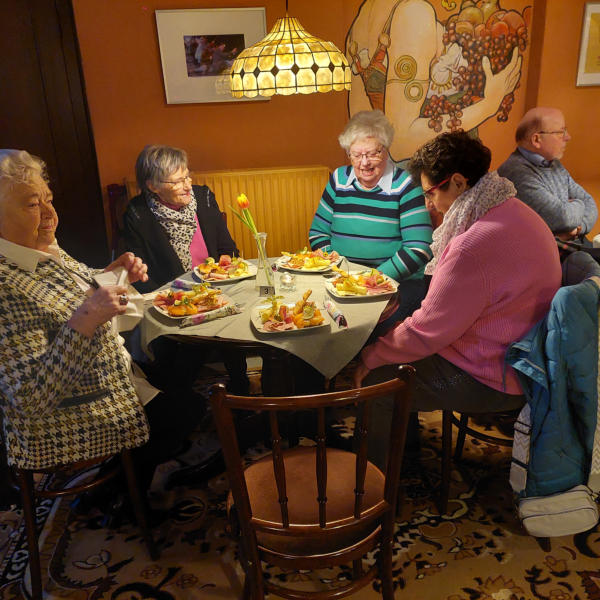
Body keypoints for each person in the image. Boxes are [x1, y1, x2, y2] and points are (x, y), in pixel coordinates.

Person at [0, 149, 202, 517]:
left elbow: (76, 294)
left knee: (181, 372)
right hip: (68, 411)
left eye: (49, 199)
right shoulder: (5, 285)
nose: (49, 214)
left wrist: (114, 274)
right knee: (184, 410)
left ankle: (118, 482)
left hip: (108, 373)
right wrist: (86, 318)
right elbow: (31, 399)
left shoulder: (42, 250)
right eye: (32, 204)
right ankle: (122, 496)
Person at [351, 132, 562, 465]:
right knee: (398, 340)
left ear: (459, 182)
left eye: (431, 193)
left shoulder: (472, 245)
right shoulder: (516, 210)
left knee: (379, 383)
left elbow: (429, 330)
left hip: (495, 375)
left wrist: (371, 356)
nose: (429, 204)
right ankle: (403, 454)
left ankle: (371, 480)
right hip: (529, 360)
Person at [346, 0, 524, 162]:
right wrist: (488, 106)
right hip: (430, 178)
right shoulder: (415, 13)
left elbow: (361, 132)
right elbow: (401, 144)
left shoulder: (362, 20)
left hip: (390, 178)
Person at [309, 109, 433, 323]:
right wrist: (338, 270)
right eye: (356, 155)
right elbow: (318, 233)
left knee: (362, 323)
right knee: (314, 316)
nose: (364, 162)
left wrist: (372, 278)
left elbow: (419, 248)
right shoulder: (339, 180)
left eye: (373, 153)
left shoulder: (405, 185)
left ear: (386, 150)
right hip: (342, 281)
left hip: (395, 283)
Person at [123, 144, 238, 294]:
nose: (188, 186)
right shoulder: (138, 214)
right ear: (153, 186)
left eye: (187, 177)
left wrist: (222, 274)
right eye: (177, 182)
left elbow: (229, 251)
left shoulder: (204, 198)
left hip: (216, 290)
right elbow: (141, 277)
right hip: (171, 296)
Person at [497, 107, 597, 242]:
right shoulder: (517, 173)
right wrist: (579, 204)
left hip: (570, 243)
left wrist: (577, 229)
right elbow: (563, 218)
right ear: (536, 140)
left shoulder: (554, 164)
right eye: (561, 132)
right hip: (542, 252)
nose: (568, 137)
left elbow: (590, 203)